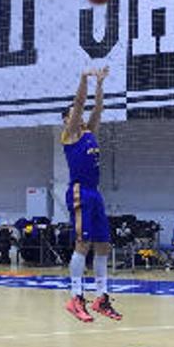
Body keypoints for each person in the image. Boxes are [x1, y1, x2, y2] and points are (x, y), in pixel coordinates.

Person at [60, 66, 121, 323]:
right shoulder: (70, 133)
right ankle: (76, 297)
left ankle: (101, 298)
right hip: (79, 193)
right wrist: (84, 77)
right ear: (67, 119)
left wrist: (100, 84)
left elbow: (97, 109)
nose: (80, 115)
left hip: (94, 194)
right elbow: (80, 102)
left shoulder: (89, 133)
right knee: (82, 245)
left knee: (103, 245)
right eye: (74, 113)